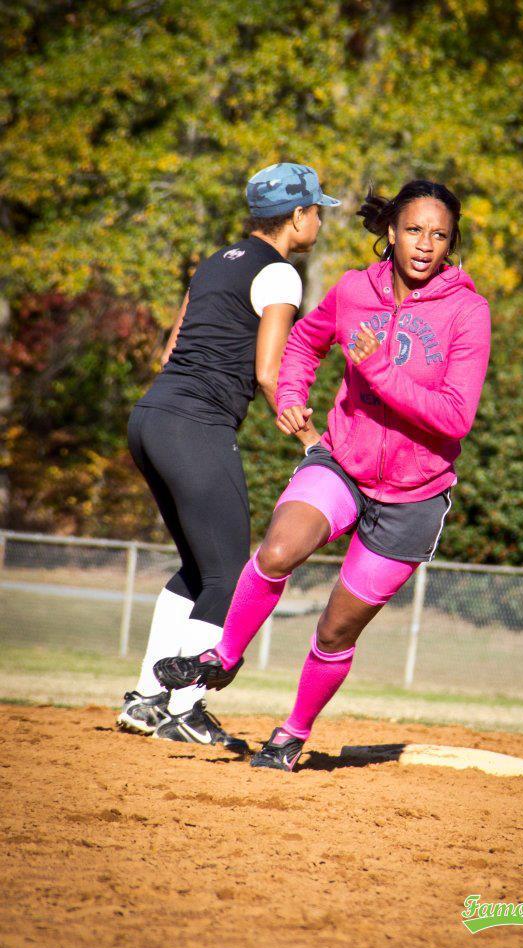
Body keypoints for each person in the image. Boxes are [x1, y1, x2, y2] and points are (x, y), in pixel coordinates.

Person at [153, 178, 491, 770]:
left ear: (451, 243)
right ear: (390, 232)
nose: (424, 245)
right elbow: (306, 342)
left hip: (414, 497)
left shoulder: (468, 311)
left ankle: (290, 734)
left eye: (439, 235)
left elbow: (455, 418)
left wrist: (381, 370)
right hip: (343, 461)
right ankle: (221, 658)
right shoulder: (353, 290)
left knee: (336, 630)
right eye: (413, 230)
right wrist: (289, 390)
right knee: (279, 549)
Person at [117, 162, 340, 747]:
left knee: (197, 569)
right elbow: (270, 372)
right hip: (196, 424)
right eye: (317, 210)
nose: (319, 219)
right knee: (228, 574)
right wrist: (308, 439)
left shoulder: (216, 262)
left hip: (150, 417)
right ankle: (184, 709)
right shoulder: (280, 274)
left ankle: (147, 699)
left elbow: (171, 351)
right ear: (297, 216)